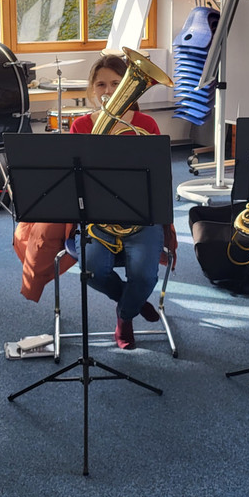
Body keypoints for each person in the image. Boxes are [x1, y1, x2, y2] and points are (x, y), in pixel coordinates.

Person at [69, 53, 171, 350]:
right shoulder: (81, 126)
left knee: (145, 276)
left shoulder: (146, 123)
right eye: (101, 84)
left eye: (116, 83)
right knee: (91, 271)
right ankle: (132, 302)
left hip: (140, 215)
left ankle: (124, 315)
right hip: (96, 217)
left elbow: (159, 176)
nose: (108, 90)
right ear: (92, 89)